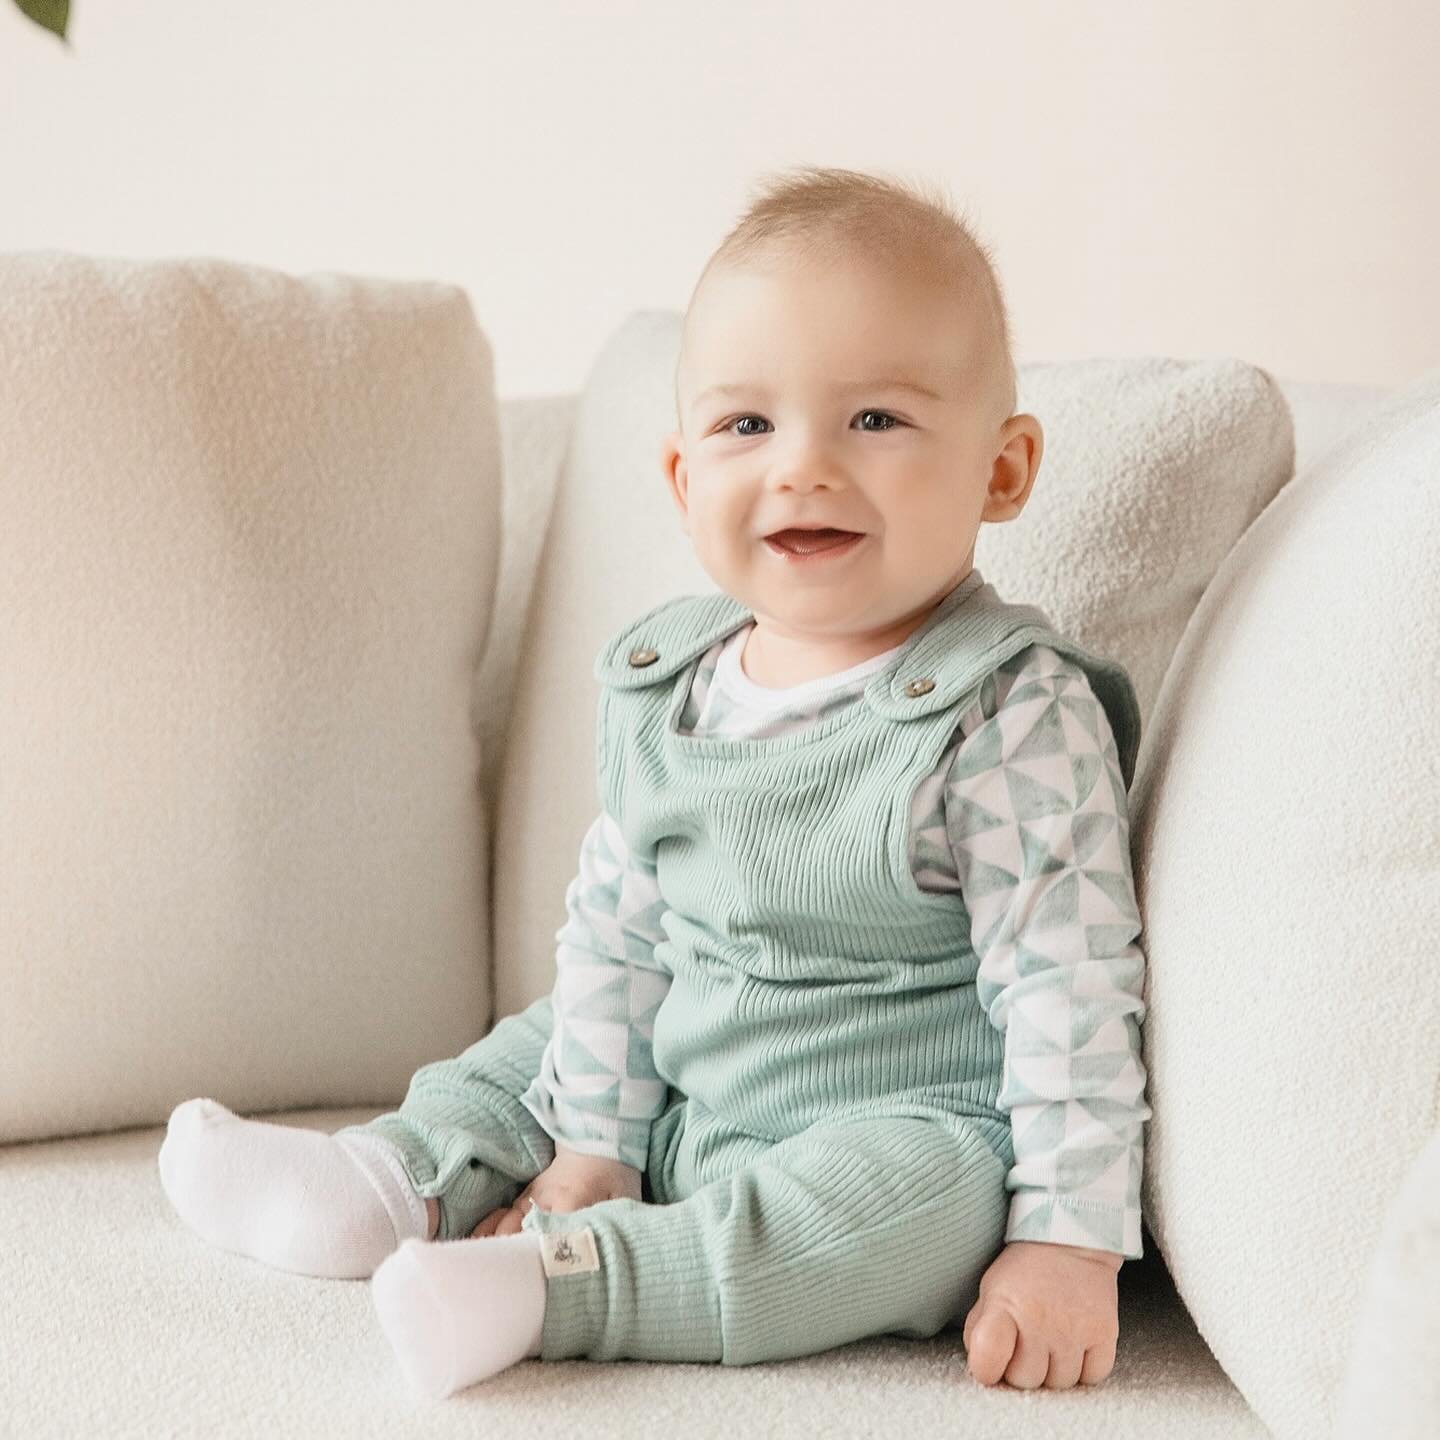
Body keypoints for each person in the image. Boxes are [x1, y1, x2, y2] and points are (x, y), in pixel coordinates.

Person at [157, 163, 1152, 1403]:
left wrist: (1067, 1235)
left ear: (1003, 471)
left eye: (876, 421)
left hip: (891, 1117)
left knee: (924, 1204)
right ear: (685, 481)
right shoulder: (669, 681)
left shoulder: (1007, 708)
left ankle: (566, 1285)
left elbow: (1068, 983)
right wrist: (588, 1142)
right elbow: (620, 942)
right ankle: (383, 1183)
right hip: (678, 1061)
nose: (802, 467)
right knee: (544, 1030)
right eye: (748, 425)